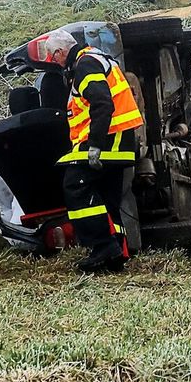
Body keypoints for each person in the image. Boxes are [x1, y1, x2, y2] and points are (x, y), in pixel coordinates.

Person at [26, 27, 143, 273]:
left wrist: (96, 146)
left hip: (107, 141)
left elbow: (102, 104)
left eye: (54, 57)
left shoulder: (85, 65)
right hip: (119, 141)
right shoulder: (96, 59)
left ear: (60, 52)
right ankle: (117, 253)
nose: (55, 63)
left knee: (75, 186)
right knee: (108, 197)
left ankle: (102, 246)